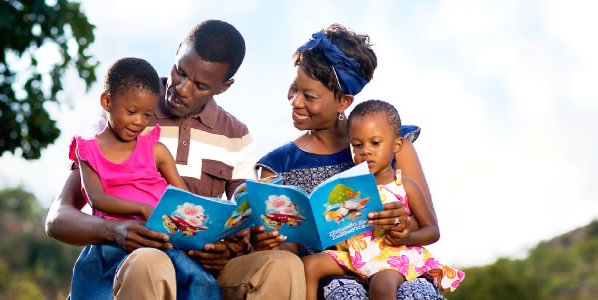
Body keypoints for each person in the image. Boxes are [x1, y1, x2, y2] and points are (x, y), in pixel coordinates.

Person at [48, 20, 307, 299]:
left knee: (284, 265)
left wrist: (229, 248)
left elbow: (240, 222)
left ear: (224, 87)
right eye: (179, 72)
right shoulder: (123, 115)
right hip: (133, 262)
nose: (182, 88)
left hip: (205, 271)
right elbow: (58, 219)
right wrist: (115, 230)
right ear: (176, 53)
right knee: (150, 261)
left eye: (199, 84)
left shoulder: (236, 136)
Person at [251, 24, 449, 299]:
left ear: (344, 101)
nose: (295, 102)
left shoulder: (393, 142)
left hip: (398, 270)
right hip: (329, 276)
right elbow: (288, 256)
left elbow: (424, 222)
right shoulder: (277, 165)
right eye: (294, 88)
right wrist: (270, 240)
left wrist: (403, 224)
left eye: (309, 96)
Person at [68, 57, 222, 299]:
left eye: (147, 114)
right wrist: (141, 208)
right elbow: (96, 198)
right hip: (117, 242)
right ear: (107, 101)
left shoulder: (155, 149)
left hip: (162, 236)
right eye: (131, 112)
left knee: (202, 282)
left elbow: (184, 198)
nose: (139, 122)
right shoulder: (88, 150)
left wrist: (217, 222)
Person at [302, 100, 464, 300]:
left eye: (375, 143)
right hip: (355, 256)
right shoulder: (346, 189)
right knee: (310, 265)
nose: (365, 151)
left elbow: (432, 230)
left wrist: (406, 238)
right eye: (357, 145)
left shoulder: (405, 185)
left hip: (392, 256)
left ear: (396, 145)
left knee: (381, 284)